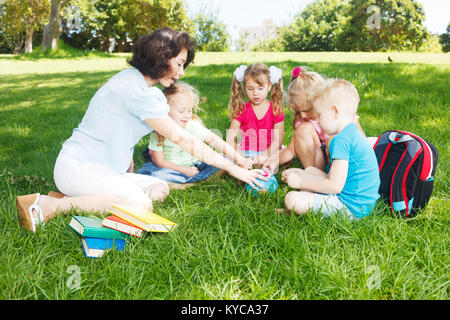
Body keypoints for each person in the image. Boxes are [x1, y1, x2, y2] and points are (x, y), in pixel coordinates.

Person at [16, 27, 266, 233]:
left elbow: (123, 132)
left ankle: (68, 198)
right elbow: (180, 137)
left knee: (160, 188)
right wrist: (233, 168)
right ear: (160, 55)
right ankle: (48, 206)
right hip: (78, 167)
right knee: (140, 205)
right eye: (178, 63)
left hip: (101, 170)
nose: (181, 72)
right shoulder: (134, 89)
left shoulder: (148, 91)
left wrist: (126, 171)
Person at [282, 79, 380, 219]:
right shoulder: (350, 132)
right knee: (301, 171)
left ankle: (301, 208)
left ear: (335, 112)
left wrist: (301, 183)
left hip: (350, 207)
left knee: (291, 199)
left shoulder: (341, 141)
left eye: (320, 115)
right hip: (358, 199)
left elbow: (335, 186)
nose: (319, 121)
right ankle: (308, 199)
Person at [137, 82, 252, 186]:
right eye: (181, 111)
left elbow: (215, 140)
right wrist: (183, 169)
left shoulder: (192, 125)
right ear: (165, 110)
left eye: (189, 110)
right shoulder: (159, 131)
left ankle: (196, 181)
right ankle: (194, 183)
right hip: (173, 169)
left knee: (226, 159)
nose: (187, 115)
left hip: (197, 165)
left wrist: (239, 159)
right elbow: (159, 161)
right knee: (155, 177)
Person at [263, 67, 366, 173]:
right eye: (299, 111)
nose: (303, 115)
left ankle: (334, 177)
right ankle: (313, 174)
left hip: (345, 161)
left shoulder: (340, 114)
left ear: (319, 101)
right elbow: (290, 150)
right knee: (303, 129)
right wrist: (275, 162)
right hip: (322, 162)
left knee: (332, 141)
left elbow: (362, 141)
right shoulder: (305, 121)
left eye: (307, 110)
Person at [226, 63, 285, 167]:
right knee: (225, 155)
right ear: (244, 87)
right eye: (250, 89)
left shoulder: (275, 109)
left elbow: (278, 140)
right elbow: (230, 139)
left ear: (269, 86)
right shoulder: (241, 109)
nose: (255, 93)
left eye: (260, 88)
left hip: (269, 152)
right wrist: (242, 159)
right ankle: (246, 167)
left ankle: (265, 165)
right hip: (247, 152)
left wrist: (263, 156)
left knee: (285, 154)